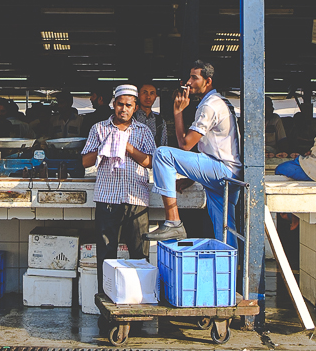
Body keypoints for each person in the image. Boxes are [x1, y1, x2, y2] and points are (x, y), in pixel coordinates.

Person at [145, 61, 241, 245]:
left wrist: (178, 111)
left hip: (221, 169)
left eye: (194, 78)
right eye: (189, 77)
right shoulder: (219, 102)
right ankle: (230, 270)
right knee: (225, 228)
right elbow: (206, 148)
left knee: (162, 154)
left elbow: (185, 145)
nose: (188, 82)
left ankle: (173, 221)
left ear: (208, 81)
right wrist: (191, 178)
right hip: (229, 174)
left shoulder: (209, 106)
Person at [81, 85, 156, 294]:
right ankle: (106, 299)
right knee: (106, 253)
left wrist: (127, 147)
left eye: (129, 105)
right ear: (113, 104)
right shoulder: (99, 129)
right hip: (108, 198)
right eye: (120, 104)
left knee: (139, 253)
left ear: (135, 108)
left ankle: (139, 297)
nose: (124, 109)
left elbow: (150, 162)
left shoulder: (144, 131)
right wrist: (106, 145)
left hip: (136, 198)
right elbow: (85, 162)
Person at [134, 81, 169, 147]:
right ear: (138, 95)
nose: (148, 97)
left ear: (156, 96)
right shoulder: (131, 118)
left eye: (152, 93)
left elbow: (163, 146)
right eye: (145, 92)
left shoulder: (160, 122)